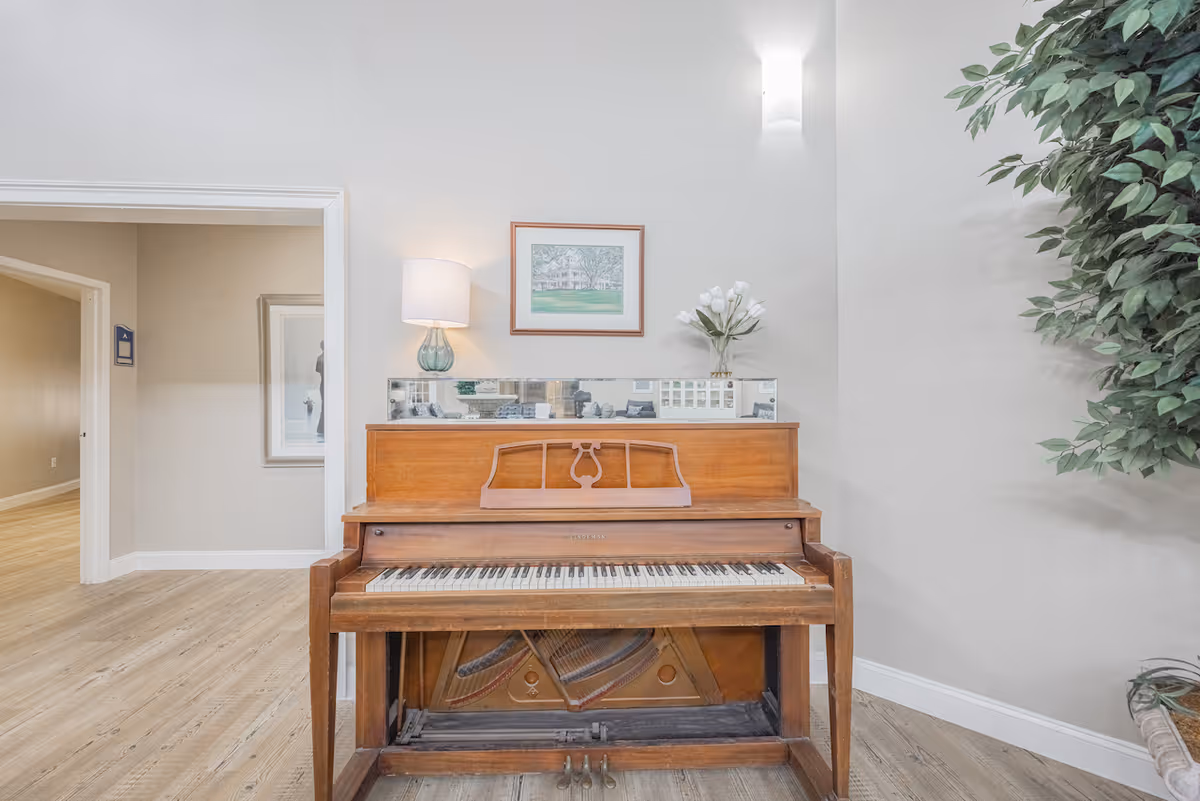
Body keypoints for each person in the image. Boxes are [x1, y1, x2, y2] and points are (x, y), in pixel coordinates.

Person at [316, 340, 325, 440]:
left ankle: (322, 428)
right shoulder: (325, 359)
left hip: (323, 385)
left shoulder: (320, 358)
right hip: (326, 385)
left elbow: (318, 371)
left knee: (324, 406)